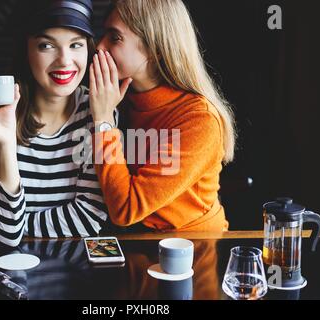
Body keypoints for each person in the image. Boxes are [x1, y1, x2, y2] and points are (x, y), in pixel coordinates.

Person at [0, 0, 114, 247]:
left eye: (76, 45)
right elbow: (4, 235)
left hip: (69, 270)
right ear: (26, 50)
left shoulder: (99, 111)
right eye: (46, 45)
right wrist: (6, 142)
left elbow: (88, 219)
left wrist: (17, 225)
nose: (65, 60)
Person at [89, 0, 236, 232]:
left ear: (155, 48)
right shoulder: (119, 99)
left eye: (115, 37)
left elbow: (125, 208)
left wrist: (103, 121)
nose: (99, 46)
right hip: (139, 244)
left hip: (194, 250)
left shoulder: (200, 120)